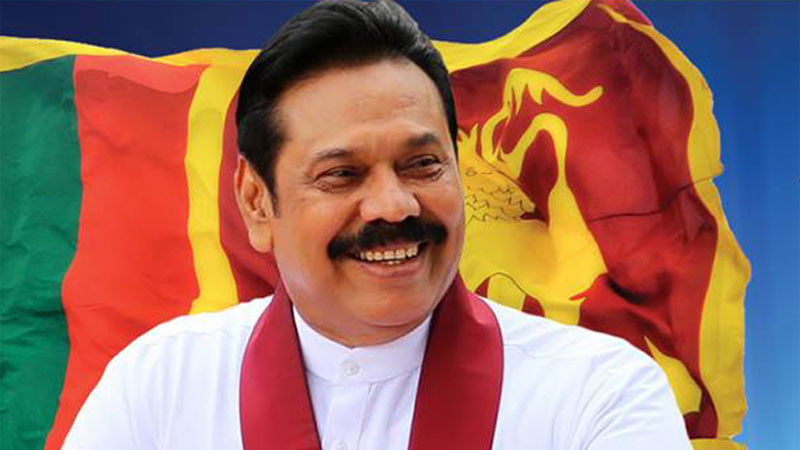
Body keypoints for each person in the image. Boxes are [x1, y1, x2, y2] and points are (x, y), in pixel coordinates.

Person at [63, 1, 692, 449]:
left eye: (422, 165)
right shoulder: (161, 386)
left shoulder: (596, 396)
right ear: (256, 202)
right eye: (342, 174)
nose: (394, 206)